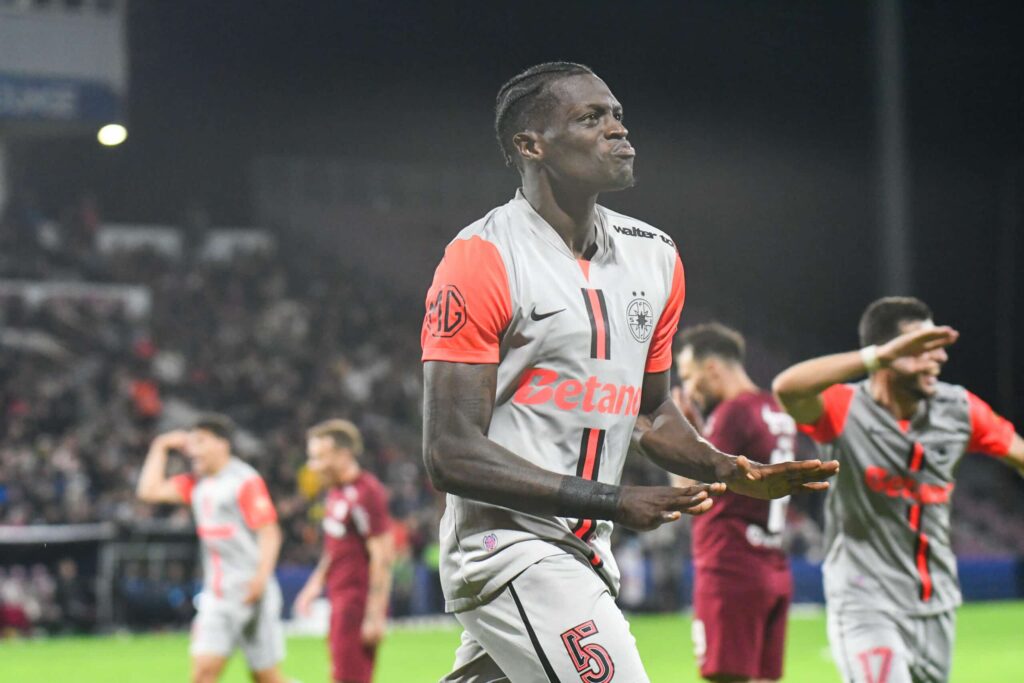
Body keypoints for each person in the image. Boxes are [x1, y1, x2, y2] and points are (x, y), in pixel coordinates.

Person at [420, 61, 838, 683]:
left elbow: (651, 411)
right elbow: (450, 453)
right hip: (508, 549)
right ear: (530, 145)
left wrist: (728, 468)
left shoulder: (657, 256)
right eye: (591, 118)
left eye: (617, 114)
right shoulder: (481, 258)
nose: (618, 130)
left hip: (587, 552)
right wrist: (614, 500)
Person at [772, 297, 1024, 683]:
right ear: (889, 352)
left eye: (937, 347)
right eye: (920, 348)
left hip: (936, 603)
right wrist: (875, 356)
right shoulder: (845, 408)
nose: (937, 358)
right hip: (865, 600)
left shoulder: (958, 409)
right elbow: (787, 388)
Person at [674, 323, 796, 683]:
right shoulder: (776, 409)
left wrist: (681, 438)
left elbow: (691, 492)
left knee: (726, 678)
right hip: (771, 562)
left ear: (712, 368)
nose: (689, 390)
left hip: (729, 567)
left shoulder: (732, 414)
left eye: (689, 377)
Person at [136, 414, 287, 683]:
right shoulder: (197, 483)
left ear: (222, 444)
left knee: (266, 678)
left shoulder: (243, 480)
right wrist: (159, 446)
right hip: (219, 595)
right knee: (203, 674)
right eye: (191, 443)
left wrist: (260, 578)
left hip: (253, 589)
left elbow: (270, 532)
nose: (193, 449)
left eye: (201, 441)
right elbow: (149, 491)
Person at [294, 419, 394, 683]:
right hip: (339, 598)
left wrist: (374, 615)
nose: (313, 465)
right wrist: (314, 585)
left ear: (343, 455)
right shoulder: (336, 492)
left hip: (356, 602)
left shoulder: (366, 492)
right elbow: (335, 548)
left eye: (319, 457)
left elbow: (382, 555)